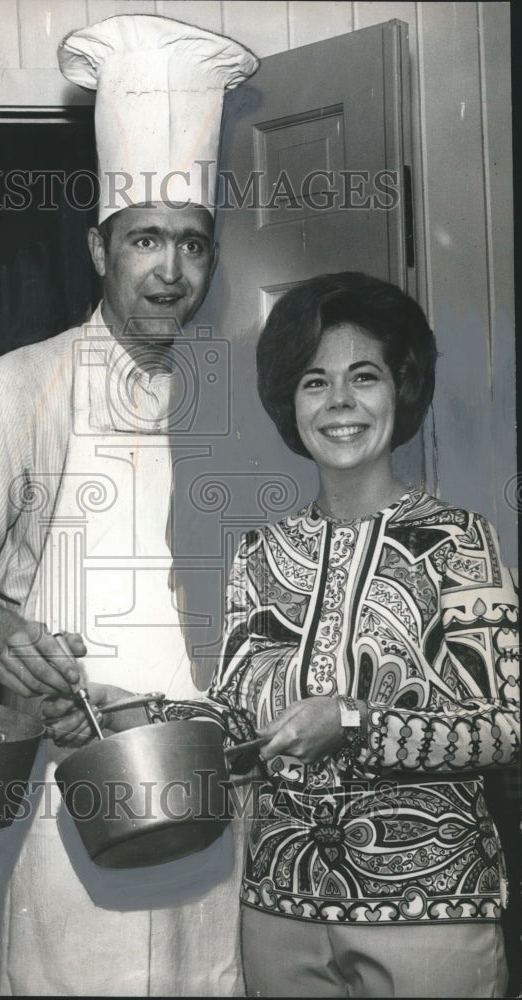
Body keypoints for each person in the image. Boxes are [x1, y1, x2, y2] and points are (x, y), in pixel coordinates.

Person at [0, 14, 259, 997]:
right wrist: (4, 640)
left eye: (190, 243)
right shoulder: (18, 385)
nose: (169, 269)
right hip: (68, 787)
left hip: (211, 785)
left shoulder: (237, 404)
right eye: (144, 239)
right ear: (96, 247)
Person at [147, 271, 518, 997]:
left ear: (398, 391)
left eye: (364, 377)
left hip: (430, 910)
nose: (340, 402)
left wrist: (353, 722)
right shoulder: (258, 553)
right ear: (291, 402)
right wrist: (138, 716)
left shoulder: (459, 540)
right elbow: (232, 717)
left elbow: (506, 725)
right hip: (279, 908)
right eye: (314, 382)